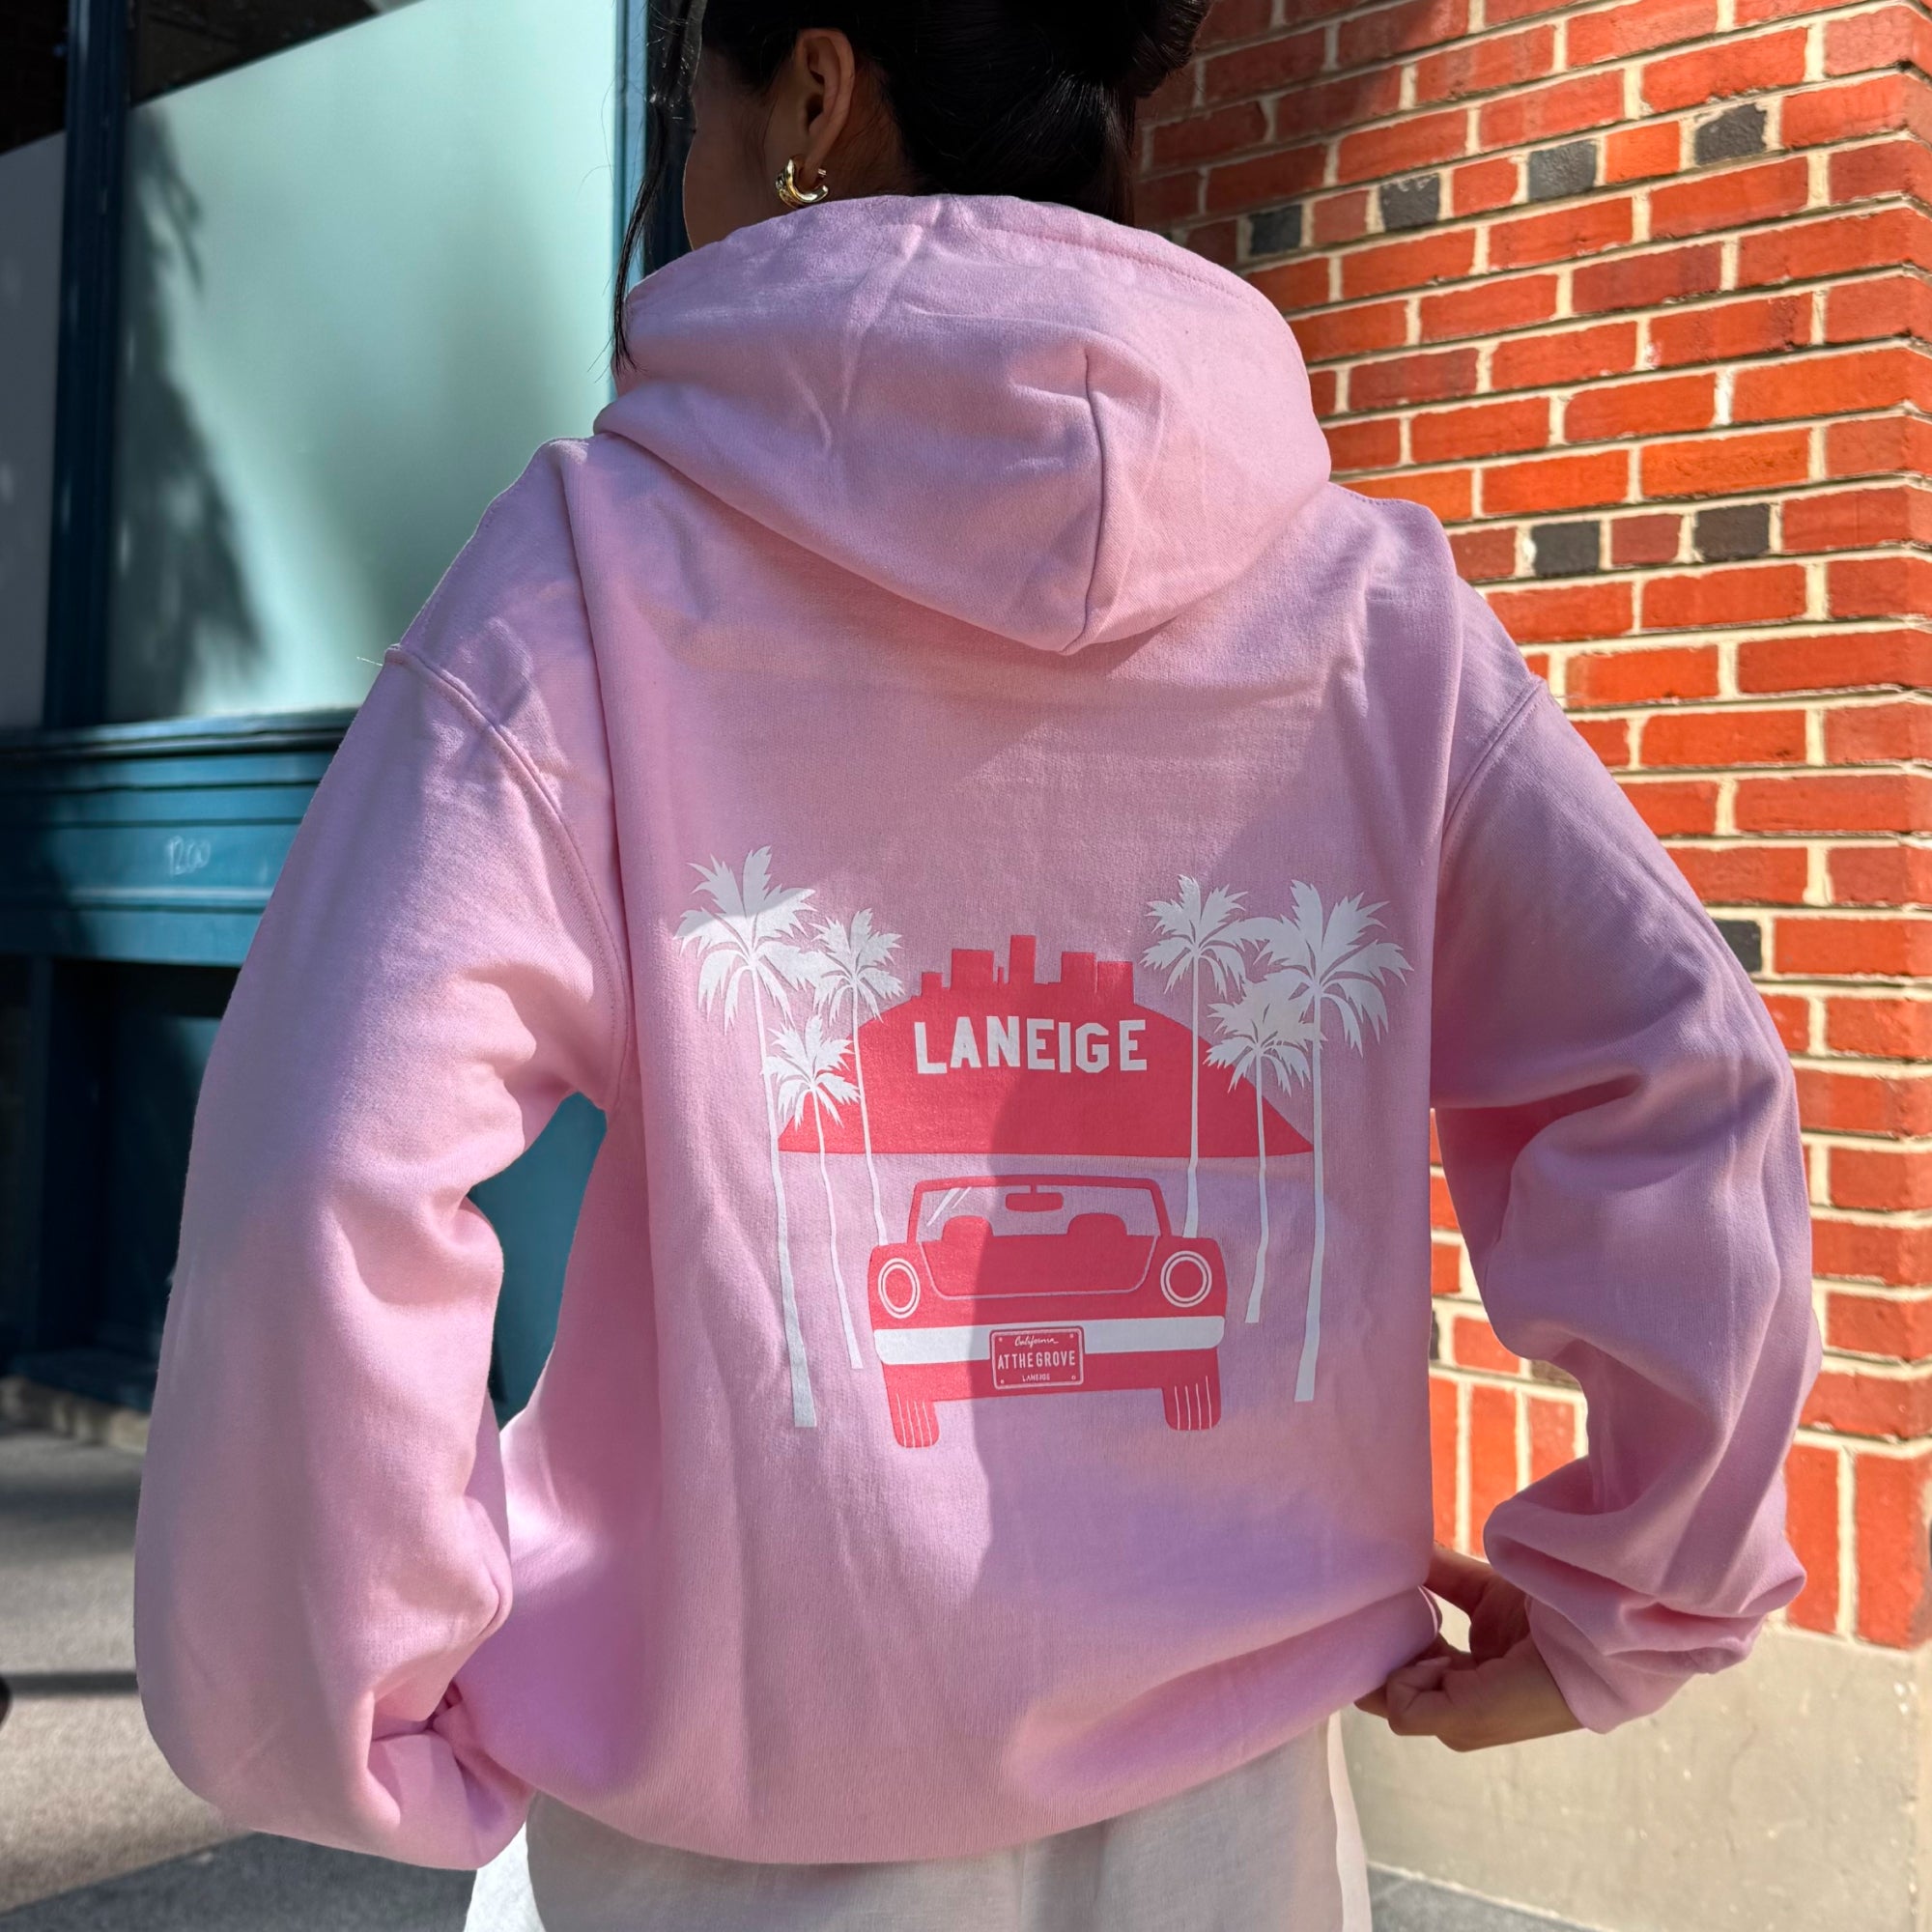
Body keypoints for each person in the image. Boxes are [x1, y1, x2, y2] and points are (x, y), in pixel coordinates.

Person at [132, 3, 1820, 1928]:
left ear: (817, 95)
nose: (678, 165)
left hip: (715, 1820)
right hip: (1234, 1831)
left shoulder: (583, 583)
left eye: (691, 99)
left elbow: (331, 1165)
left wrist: (351, 1704)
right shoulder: (1373, 614)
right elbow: (1678, 1068)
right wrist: (1640, 1588)